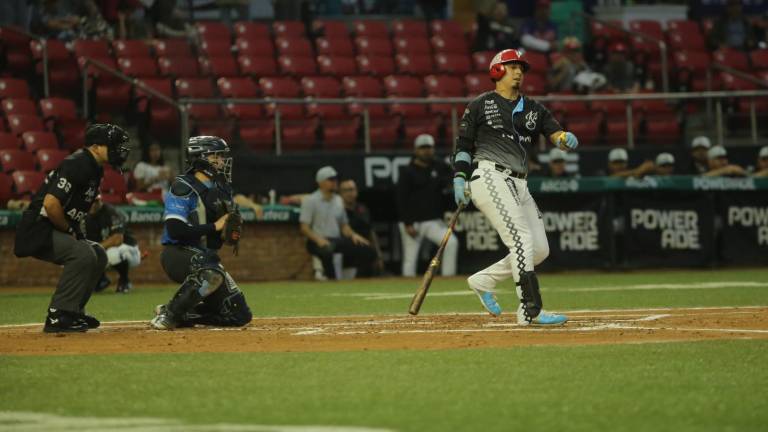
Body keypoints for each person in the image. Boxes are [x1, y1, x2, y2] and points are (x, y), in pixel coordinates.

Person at [454, 48, 578, 325]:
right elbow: (463, 147)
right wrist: (458, 178)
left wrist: (564, 138)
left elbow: (554, 133)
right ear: (497, 71)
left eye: (521, 67)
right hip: (489, 176)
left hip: (520, 183)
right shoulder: (479, 104)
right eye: (512, 66)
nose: (519, 71)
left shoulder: (533, 108)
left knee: (539, 250)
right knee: (521, 239)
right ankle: (529, 309)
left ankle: (483, 280)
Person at [13, 123, 131, 333]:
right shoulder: (78, 163)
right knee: (83, 254)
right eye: (112, 145)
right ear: (95, 146)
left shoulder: (94, 168)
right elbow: (51, 204)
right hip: (38, 228)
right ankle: (58, 315)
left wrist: (74, 231)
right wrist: (69, 230)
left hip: (53, 227)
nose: (117, 149)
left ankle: (74, 311)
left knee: (98, 254)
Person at [150, 136, 252, 330]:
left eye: (222, 157)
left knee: (239, 315)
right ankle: (169, 317)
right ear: (201, 158)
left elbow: (222, 236)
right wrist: (215, 226)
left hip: (207, 258)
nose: (221, 162)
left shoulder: (221, 189)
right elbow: (175, 230)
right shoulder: (183, 186)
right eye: (216, 156)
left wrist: (229, 232)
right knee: (211, 273)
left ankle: (179, 312)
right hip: (176, 253)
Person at [300, 166, 377, 280]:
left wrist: (353, 235)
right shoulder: (310, 200)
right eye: (330, 179)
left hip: (335, 240)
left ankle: (359, 281)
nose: (335, 182)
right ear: (321, 182)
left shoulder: (338, 200)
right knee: (327, 250)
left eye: (335, 179)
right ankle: (332, 280)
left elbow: (344, 225)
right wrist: (318, 240)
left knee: (368, 250)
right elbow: (304, 228)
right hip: (316, 241)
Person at [396, 134, 458, 277]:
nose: (426, 151)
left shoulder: (440, 166)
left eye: (429, 147)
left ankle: (449, 280)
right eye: (422, 148)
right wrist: (407, 223)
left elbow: (452, 179)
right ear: (416, 150)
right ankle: (405, 288)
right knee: (410, 259)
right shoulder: (407, 171)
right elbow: (401, 199)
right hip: (413, 222)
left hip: (432, 221)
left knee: (451, 243)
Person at [86, 196, 141, 294]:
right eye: (91, 201)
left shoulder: (111, 212)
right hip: (106, 250)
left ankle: (124, 281)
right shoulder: (86, 216)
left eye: (96, 201)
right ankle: (101, 280)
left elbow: (117, 240)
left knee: (112, 254)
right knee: (82, 255)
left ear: (100, 200)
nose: (93, 204)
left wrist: (94, 249)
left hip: (129, 250)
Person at [339, 178, 384, 276]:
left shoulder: (363, 209)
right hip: (346, 257)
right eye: (346, 190)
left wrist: (379, 255)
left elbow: (371, 232)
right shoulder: (338, 210)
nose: (349, 193)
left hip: (367, 254)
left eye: (352, 189)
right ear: (340, 193)